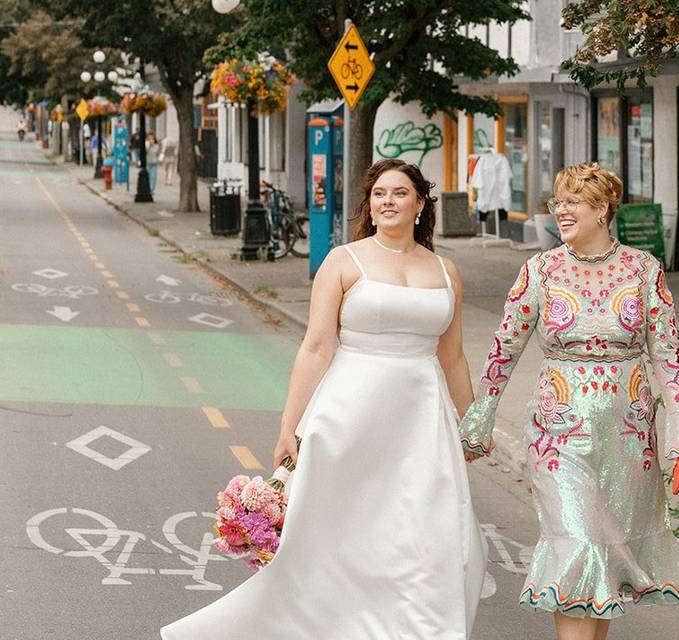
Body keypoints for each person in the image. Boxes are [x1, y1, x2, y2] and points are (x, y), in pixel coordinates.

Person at [161, 158, 487, 640]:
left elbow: (453, 357)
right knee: (340, 530)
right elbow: (316, 347)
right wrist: (287, 427)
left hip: (421, 418)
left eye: (400, 193)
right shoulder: (343, 261)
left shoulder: (446, 271)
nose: (388, 202)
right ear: (369, 206)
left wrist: (473, 424)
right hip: (349, 413)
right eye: (379, 194)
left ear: (420, 205)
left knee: (425, 532)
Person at [459, 162, 679, 640]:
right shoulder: (541, 270)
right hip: (559, 435)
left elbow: (669, 360)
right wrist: (478, 423)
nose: (562, 211)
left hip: (629, 439)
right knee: (575, 545)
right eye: (559, 202)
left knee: (604, 556)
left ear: (602, 209)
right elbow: (502, 352)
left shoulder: (643, 269)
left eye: (573, 201)